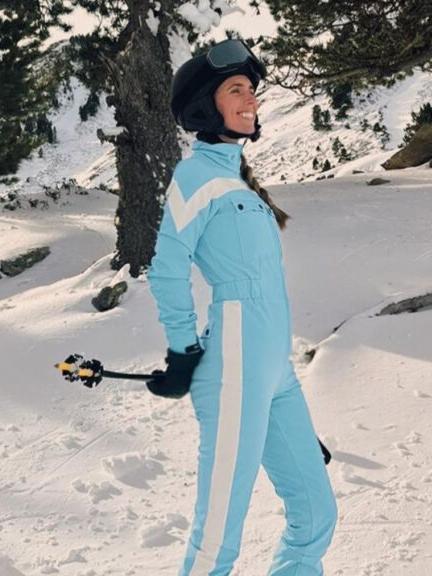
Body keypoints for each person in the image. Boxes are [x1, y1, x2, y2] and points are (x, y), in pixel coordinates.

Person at [147, 39, 337, 576]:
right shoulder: (195, 178)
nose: (250, 98)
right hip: (233, 373)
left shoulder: (237, 184)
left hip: (275, 376)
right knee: (218, 541)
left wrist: (284, 411)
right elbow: (166, 268)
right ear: (207, 107)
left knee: (316, 512)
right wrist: (183, 351)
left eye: (252, 89)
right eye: (236, 89)